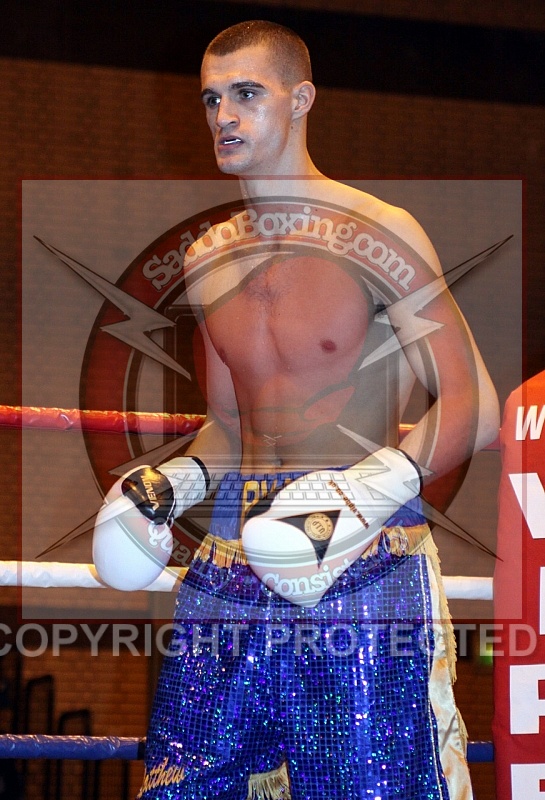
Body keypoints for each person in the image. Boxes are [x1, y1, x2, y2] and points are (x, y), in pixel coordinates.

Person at [93, 20, 499, 799]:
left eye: (247, 94)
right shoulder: (208, 257)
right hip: (230, 569)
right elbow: (229, 428)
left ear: (300, 99)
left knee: (371, 788)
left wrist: (363, 492)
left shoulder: (377, 234)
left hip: (361, 567)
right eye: (211, 99)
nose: (223, 116)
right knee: (184, 788)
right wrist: (168, 484)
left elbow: (473, 405)